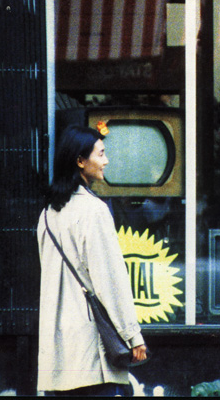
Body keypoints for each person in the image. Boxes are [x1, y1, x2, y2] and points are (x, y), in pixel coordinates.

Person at [37, 125, 148, 396]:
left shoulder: (48, 214)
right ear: (80, 160)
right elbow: (110, 279)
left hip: (59, 353)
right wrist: (133, 335)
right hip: (91, 352)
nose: (106, 161)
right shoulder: (94, 211)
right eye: (101, 154)